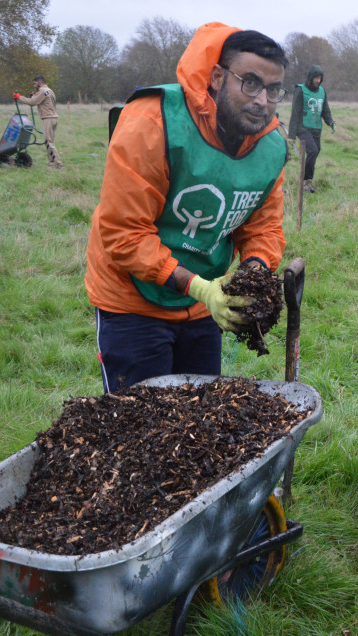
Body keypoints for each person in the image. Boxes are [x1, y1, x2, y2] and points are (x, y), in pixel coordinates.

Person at [84, 23, 289, 392]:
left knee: (199, 420)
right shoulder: (152, 121)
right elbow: (124, 232)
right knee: (140, 429)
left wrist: (251, 276)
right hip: (132, 300)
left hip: (202, 306)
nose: (263, 100)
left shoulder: (270, 146)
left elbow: (263, 228)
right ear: (216, 77)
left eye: (274, 90)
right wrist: (201, 288)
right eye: (251, 83)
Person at [287, 64, 334, 193]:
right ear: (310, 78)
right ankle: (305, 182)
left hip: (316, 128)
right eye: (316, 78)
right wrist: (291, 135)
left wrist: (330, 122)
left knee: (316, 151)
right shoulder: (300, 90)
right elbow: (295, 113)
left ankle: (308, 182)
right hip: (303, 128)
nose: (318, 80)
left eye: (320, 78)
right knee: (312, 151)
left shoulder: (322, 92)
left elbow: (325, 110)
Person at [14, 76, 63, 168]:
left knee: (48, 142)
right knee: (50, 142)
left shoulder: (42, 91)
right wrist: (34, 97)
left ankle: (59, 164)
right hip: (53, 117)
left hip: (48, 118)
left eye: (34, 83)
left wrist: (19, 97)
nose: (34, 86)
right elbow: (41, 101)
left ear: (39, 83)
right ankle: (51, 164)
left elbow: (32, 102)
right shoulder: (49, 90)